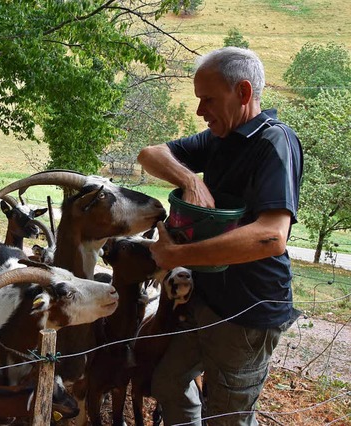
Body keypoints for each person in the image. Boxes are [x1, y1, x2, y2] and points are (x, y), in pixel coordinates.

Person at [137, 47, 303, 425]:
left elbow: (271, 237)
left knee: (228, 417)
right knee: (167, 382)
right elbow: (149, 154)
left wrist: (177, 256)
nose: (200, 111)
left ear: (243, 93)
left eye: (208, 99)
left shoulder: (273, 142)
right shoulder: (219, 139)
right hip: (208, 304)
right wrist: (189, 178)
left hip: (248, 313)